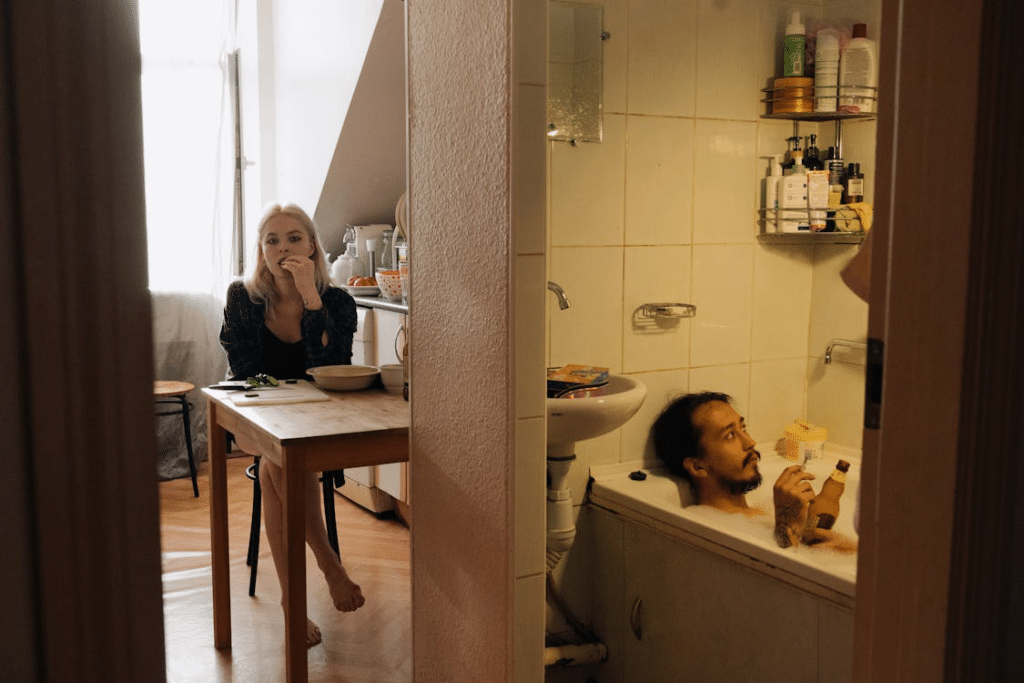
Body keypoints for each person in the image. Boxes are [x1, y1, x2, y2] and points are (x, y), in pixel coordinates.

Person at [219, 203, 364, 647]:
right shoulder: (242, 297)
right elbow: (243, 368)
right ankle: (328, 564)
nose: (284, 248)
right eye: (272, 240)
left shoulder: (337, 301)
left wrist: (311, 298)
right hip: (254, 411)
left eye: (295, 238)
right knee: (278, 454)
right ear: (261, 252)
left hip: (313, 417)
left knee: (275, 466)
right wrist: (279, 402)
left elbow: (334, 365)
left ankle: (291, 603)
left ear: (313, 247)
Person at [652, 392, 857, 552]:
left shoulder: (759, 514)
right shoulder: (708, 532)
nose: (750, 442)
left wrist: (847, 547)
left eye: (743, 428)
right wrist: (787, 526)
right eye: (730, 435)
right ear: (698, 467)